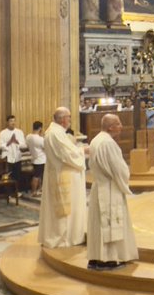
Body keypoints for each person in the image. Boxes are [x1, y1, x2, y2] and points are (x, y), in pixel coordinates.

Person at [86, 113, 138, 269]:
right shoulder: (108, 143)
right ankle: (108, 259)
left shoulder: (96, 140)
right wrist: (125, 176)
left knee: (99, 225)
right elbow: (119, 169)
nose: (121, 126)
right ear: (111, 127)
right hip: (109, 188)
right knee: (108, 225)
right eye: (119, 123)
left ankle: (96, 257)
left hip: (99, 187)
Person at [39, 107, 87, 248]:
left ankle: (71, 235)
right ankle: (65, 238)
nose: (70, 120)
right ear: (62, 119)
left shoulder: (56, 132)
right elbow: (68, 155)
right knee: (65, 211)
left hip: (61, 173)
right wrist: (83, 151)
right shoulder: (55, 133)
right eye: (69, 117)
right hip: (64, 176)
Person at [0, 116, 26, 191]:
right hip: (7, 156)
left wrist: (16, 141)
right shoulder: (3, 133)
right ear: (7, 122)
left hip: (17, 156)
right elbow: (1, 145)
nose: (13, 123)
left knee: (17, 175)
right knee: (7, 175)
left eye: (14, 121)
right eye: (11, 121)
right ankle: (8, 193)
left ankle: (16, 191)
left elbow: (23, 144)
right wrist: (9, 142)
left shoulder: (19, 132)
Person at [26, 121, 46, 196]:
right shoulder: (40, 139)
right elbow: (45, 148)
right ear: (40, 128)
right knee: (36, 176)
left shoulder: (28, 137)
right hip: (41, 159)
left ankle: (40, 189)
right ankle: (34, 191)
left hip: (34, 158)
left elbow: (27, 146)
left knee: (39, 175)